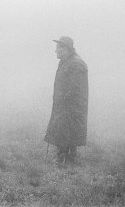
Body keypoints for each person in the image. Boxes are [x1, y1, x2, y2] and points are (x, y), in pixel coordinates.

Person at [44, 36, 88, 166]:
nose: (56, 51)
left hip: (70, 106)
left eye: (59, 48)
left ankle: (63, 159)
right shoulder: (66, 61)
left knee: (66, 130)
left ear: (66, 49)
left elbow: (74, 88)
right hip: (64, 105)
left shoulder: (76, 64)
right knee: (65, 130)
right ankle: (67, 159)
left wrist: (63, 100)